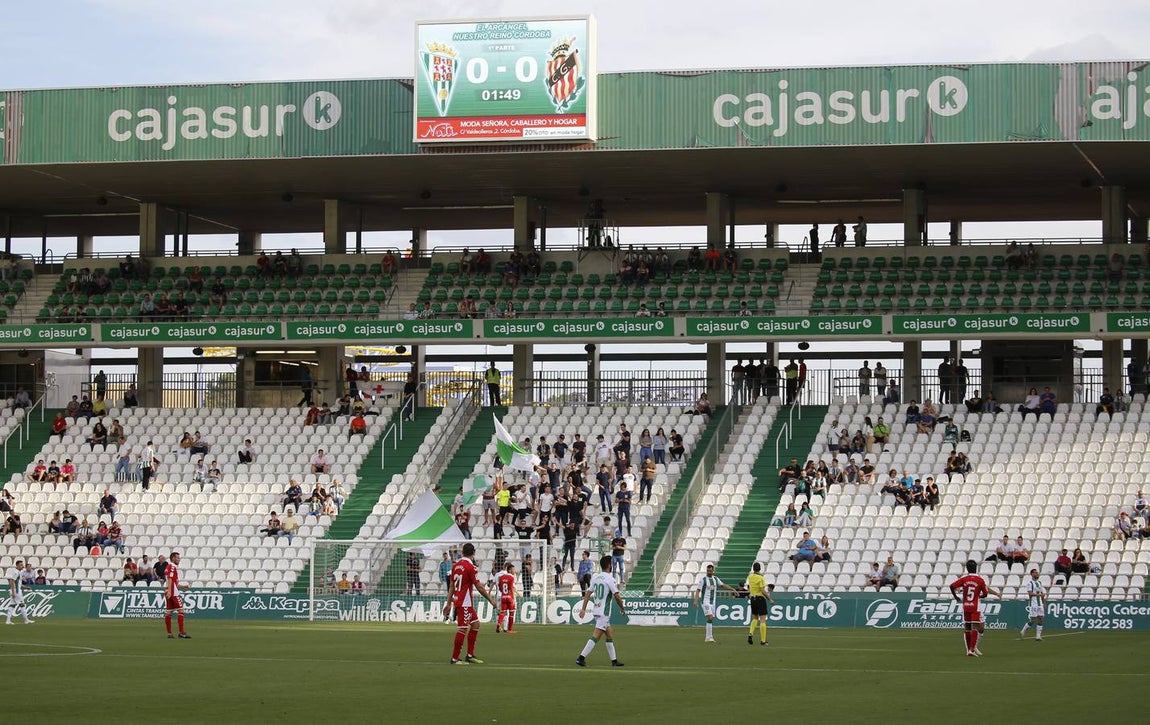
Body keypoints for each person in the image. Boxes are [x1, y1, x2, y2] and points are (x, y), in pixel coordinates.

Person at [443, 542, 497, 665]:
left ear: (462, 552)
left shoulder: (455, 566)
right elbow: (479, 586)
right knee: (462, 628)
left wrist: (449, 603)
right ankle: (455, 658)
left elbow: (451, 585)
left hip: (459, 600)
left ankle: (470, 655)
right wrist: (491, 600)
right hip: (465, 602)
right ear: (473, 553)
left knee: (476, 624)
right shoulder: (470, 567)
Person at [575, 555, 627, 668]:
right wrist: (622, 608)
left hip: (596, 610)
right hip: (604, 612)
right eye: (611, 564)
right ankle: (581, 658)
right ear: (609, 566)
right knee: (596, 635)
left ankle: (614, 661)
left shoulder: (596, 577)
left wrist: (583, 609)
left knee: (609, 633)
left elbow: (588, 594)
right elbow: (617, 596)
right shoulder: (610, 579)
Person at [950, 559, 1001, 656]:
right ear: (976, 568)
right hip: (976, 606)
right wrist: (979, 596)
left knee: (975, 628)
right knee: (975, 628)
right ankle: (971, 649)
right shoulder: (980, 580)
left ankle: (972, 648)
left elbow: (952, 586)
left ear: (967, 568)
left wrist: (956, 597)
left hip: (966, 606)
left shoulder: (965, 579)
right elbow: (985, 592)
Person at [694, 563, 737, 643]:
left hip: (713, 602)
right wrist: (696, 600)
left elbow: (723, 585)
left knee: (711, 619)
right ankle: (708, 637)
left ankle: (709, 637)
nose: (709, 572)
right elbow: (698, 590)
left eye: (710, 571)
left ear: (713, 571)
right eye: (707, 571)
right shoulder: (703, 580)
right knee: (710, 617)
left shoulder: (715, 579)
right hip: (705, 602)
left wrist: (732, 589)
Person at [746, 562, 774, 646]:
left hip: (752, 598)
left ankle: (751, 633)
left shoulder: (750, 577)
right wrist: (770, 599)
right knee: (762, 619)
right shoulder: (761, 578)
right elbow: (762, 590)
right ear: (760, 568)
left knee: (755, 617)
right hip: (760, 598)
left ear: (753, 569)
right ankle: (763, 641)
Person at [164, 551, 191, 639]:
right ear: (173, 558)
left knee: (169, 612)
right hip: (173, 592)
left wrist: (184, 586)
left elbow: (173, 582)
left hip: (169, 590)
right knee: (181, 611)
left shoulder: (169, 567)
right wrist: (170, 592)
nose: (179, 559)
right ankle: (181, 632)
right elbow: (170, 579)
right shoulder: (172, 566)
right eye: (178, 558)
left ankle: (169, 633)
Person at [1019, 568, 1047, 641]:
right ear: (1031, 574)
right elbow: (1030, 594)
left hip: (1040, 603)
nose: (1036, 574)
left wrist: (1044, 603)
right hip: (1033, 604)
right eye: (1035, 572)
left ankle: (1038, 637)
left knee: (1041, 619)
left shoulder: (1039, 583)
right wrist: (1039, 596)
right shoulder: (1030, 583)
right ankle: (1023, 630)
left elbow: (1042, 594)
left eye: (1037, 572)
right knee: (1033, 620)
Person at [5, 557, 34, 625]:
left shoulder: (19, 572)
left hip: (16, 590)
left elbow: (18, 584)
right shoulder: (16, 572)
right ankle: (26, 620)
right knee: (22, 605)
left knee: (12, 605)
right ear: (17, 565)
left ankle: (8, 621)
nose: (23, 566)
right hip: (16, 591)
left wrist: (26, 587)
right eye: (21, 565)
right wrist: (13, 592)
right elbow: (12, 581)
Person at [495, 563, 519, 634]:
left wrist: (503, 593)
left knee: (502, 612)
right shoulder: (511, 577)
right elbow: (511, 588)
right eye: (513, 569)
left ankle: (499, 624)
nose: (514, 571)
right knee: (511, 613)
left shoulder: (501, 577)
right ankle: (509, 629)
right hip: (509, 597)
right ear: (509, 570)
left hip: (503, 597)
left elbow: (499, 586)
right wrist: (513, 598)